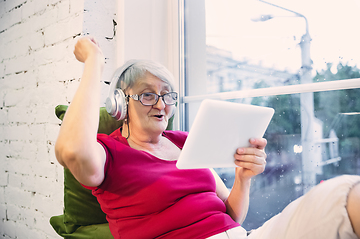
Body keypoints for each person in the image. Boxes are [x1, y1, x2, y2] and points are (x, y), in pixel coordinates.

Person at [55, 36, 360, 239]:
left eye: (167, 95)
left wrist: (243, 177)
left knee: (344, 196)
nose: (161, 105)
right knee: (341, 194)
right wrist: (94, 60)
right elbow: (71, 151)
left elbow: (232, 214)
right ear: (121, 103)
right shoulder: (108, 152)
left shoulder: (184, 141)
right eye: (148, 95)